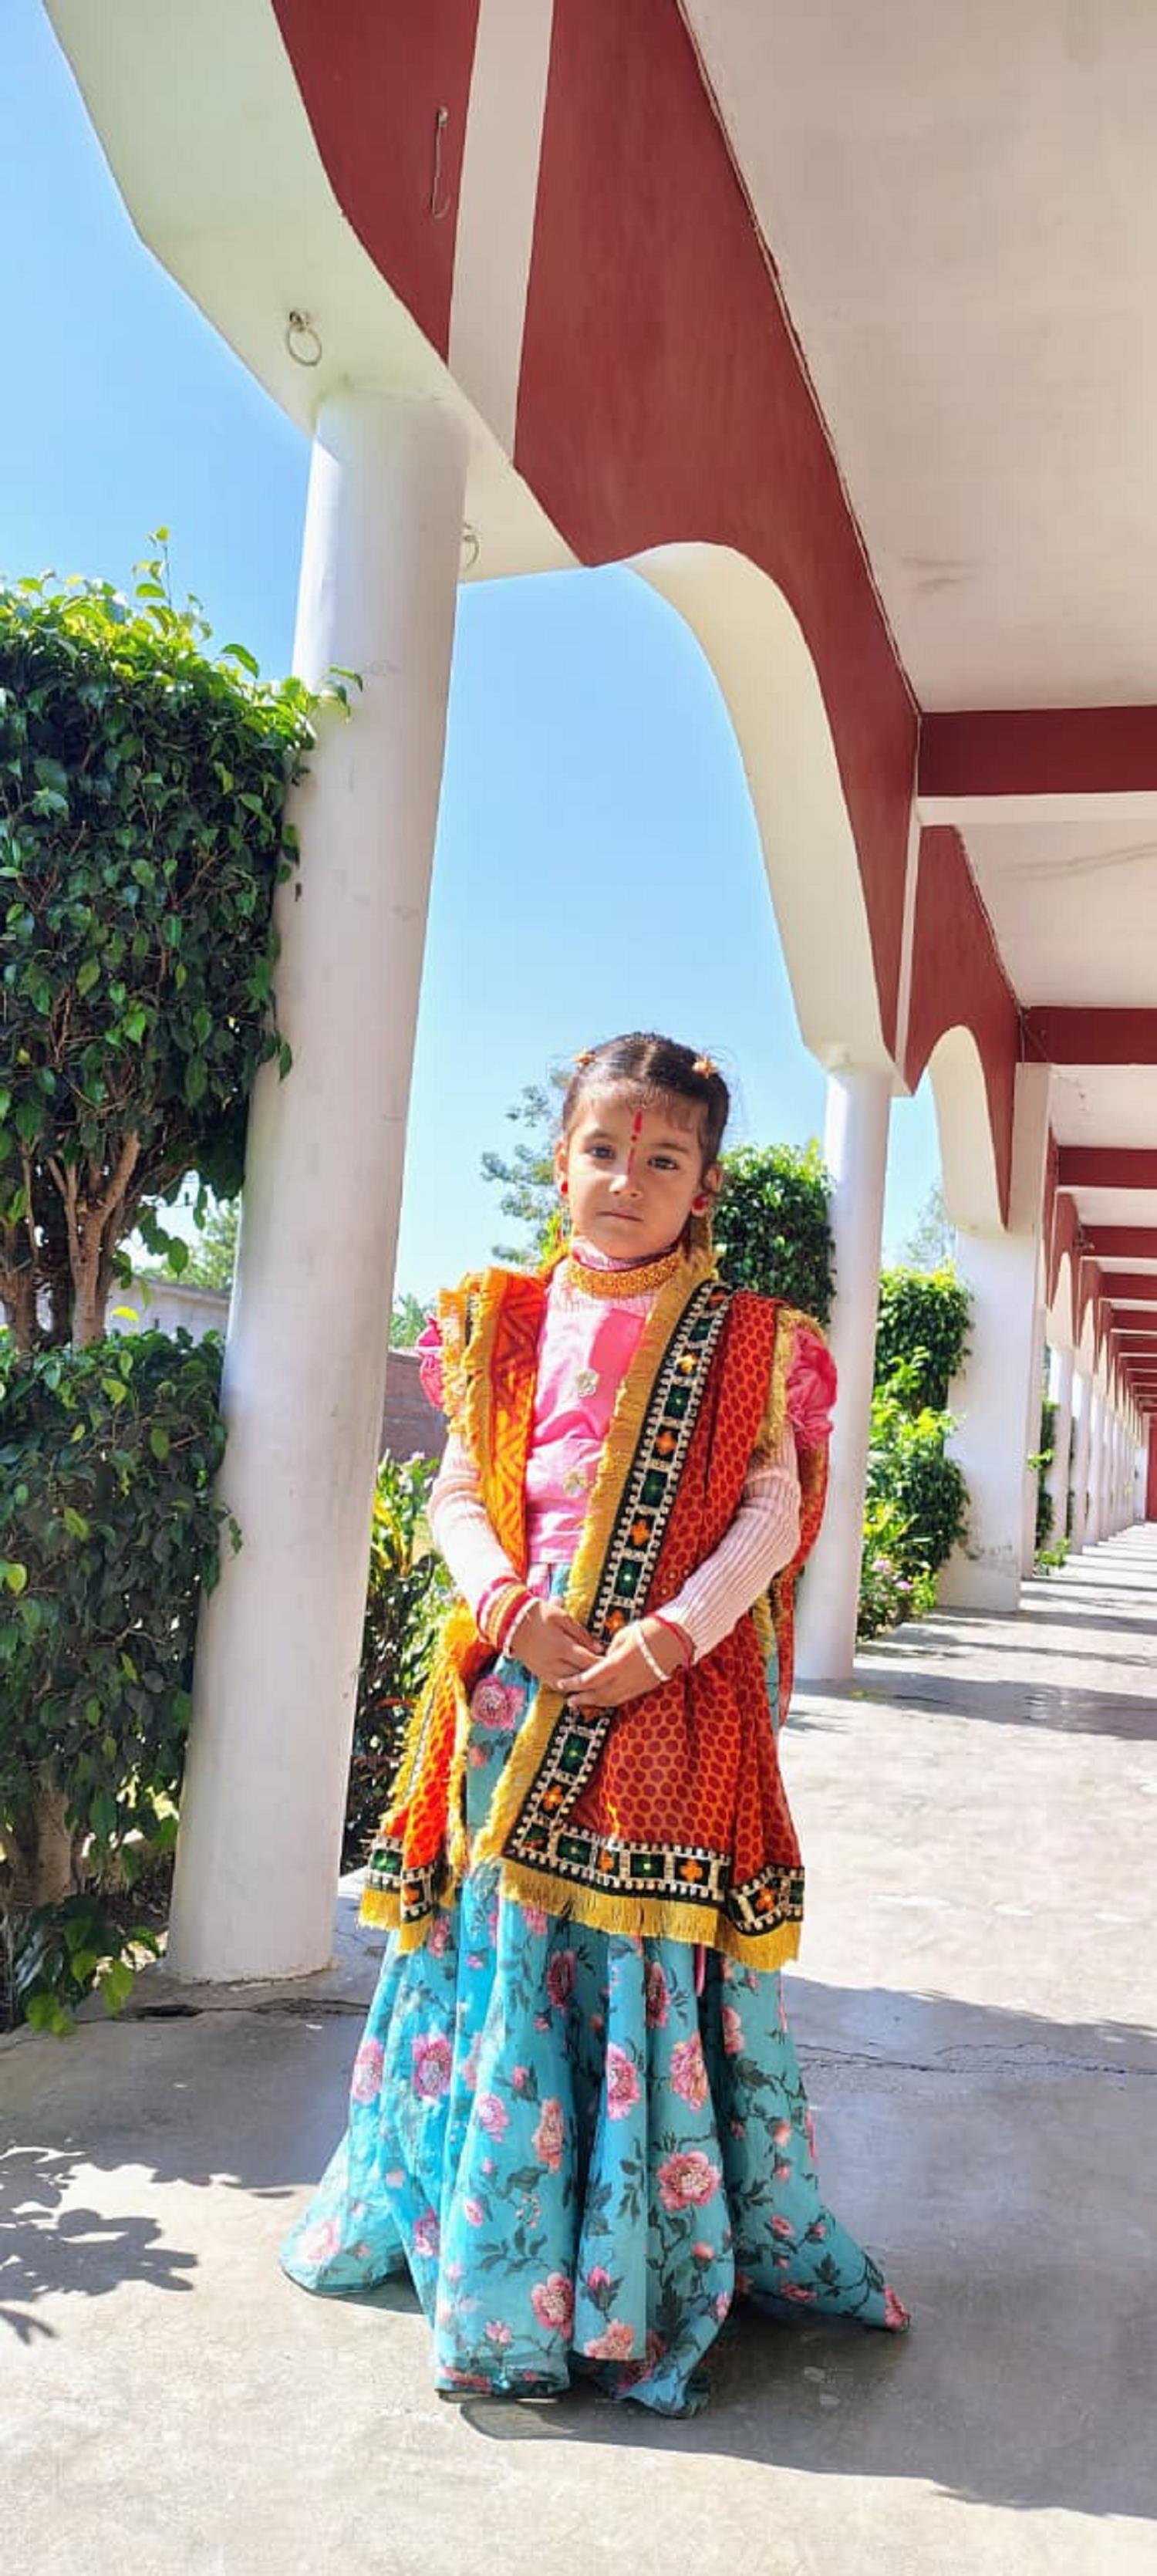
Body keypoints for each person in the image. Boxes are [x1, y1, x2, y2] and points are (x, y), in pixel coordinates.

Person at [280, 1032, 909, 2413]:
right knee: (506, 1953)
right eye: (604, 1150)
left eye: (663, 1159)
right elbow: (459, 1490)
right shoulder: (496, 1324)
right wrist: (508, 1608)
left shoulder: (756, 1342)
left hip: (666, 1695)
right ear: (560, 1163)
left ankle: (628, 2277)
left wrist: (667, 1638)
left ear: (706, 1185)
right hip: (515, 1685)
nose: (628, 1178)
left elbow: (771, 1511)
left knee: (629, 1964)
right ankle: (501, 2269)